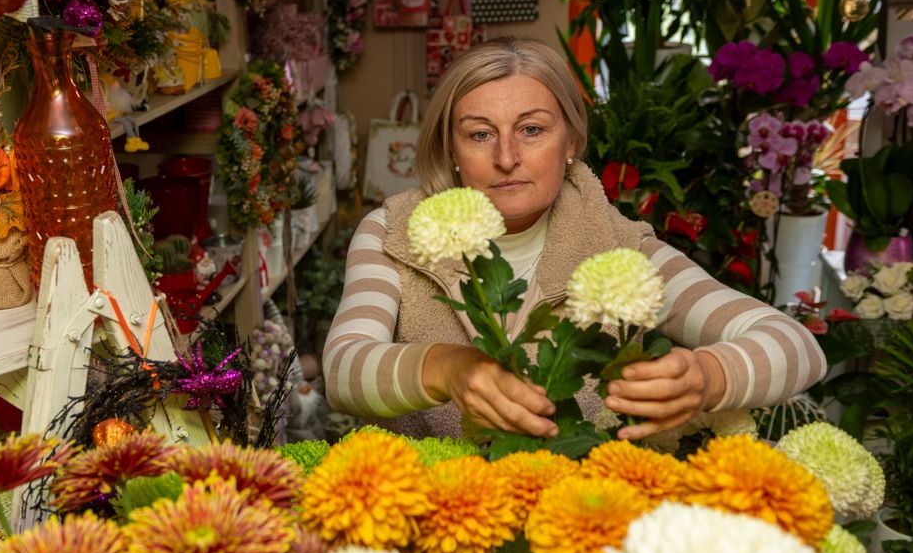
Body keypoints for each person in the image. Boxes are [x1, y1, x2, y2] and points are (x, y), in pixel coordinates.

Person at [324, 36, 826, 441]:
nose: (506, 157)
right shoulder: (391, 232)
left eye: (532, 130)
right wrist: (446, 367)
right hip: (422, 520)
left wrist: (710, 376)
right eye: (479, 134)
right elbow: (343, 370)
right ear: (451, 150)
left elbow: (796, 345)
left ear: (571, 141)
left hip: (571, 528)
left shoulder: (622, 248)